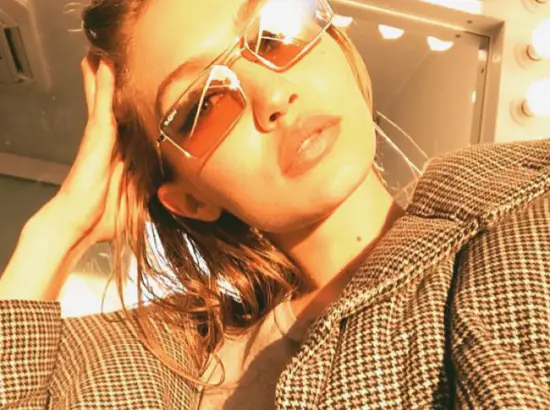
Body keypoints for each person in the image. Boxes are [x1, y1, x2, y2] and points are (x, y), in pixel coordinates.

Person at [1, 0, 549, 408]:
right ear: (191, 199)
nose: (272, 95)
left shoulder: (522, 218)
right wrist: (56, 233)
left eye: (278, 31)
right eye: (203, 104)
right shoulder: (151, 365)